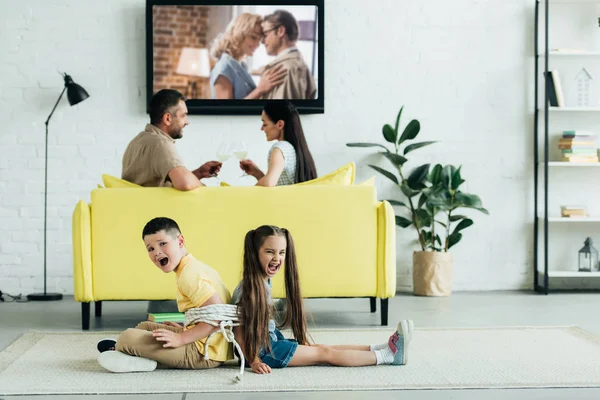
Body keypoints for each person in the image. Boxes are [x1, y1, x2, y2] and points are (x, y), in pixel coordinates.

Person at [231, 225, 414, 374]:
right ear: (255, 253)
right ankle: (387, 356)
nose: (277, 258)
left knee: (321, 346)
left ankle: (382, 347)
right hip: (263, 352)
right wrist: (253, 360)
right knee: (324, 353)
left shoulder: (262, 281)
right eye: (270, 252)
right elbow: (238, 330)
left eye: (282, 252)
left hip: (268, 344)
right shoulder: (250, 289)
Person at [97, 217, 234, 373]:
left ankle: (131, 354)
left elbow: (216, 317)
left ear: (180, 241)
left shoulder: (190, 275)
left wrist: (181, 338)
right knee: (146, 327)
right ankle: (127, 352)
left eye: (163, 244)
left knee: (126, 338)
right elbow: (207, 313)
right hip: (209, 342)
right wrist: (185, 328)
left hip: (204, 352)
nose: (157, 252)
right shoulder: (192, 267)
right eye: (150, 249)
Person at [122, 89, 222, 190]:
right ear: (167, 119)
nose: (187, 122)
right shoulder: (160, 143)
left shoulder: (138, 141)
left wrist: (199, 173)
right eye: (183, 115)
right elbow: (185, 184)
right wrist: (207, 190)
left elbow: (154, 184)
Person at [239, 101, 317, 186]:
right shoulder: (295, 148)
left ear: (280, 124)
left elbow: (268, 184)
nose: (261, 128)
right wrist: (257, 173)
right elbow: (278, 186)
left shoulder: (280, 148)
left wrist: (246, 195)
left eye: (265, 124)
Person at [210, 13, 286, 99]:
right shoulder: (223, 68)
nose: (257, 44)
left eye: (259, 40)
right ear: (239, 34)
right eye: (253, 37)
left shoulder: (241, 66)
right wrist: (260, 90)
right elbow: (227, 111)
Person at [258, 10, 317, 100]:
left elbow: (282, 113)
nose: (262, 41)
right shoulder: (295, 65)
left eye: (266, 34)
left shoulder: (286, 70)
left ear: (280, 31)